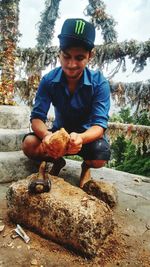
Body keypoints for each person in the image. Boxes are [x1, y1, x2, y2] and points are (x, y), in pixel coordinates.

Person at [22, 18, 111, 188]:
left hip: (85, 138)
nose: (71, 64)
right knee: (29, 145)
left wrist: (81, 138)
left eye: (79, 58)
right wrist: (48, 136)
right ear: (59, 53)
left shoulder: (99, 83)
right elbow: (37, 118)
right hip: (58, 134)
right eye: (66, 56)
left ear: (90, 56)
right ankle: (57, 160)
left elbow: (99, 125)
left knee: (99, 156)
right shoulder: (48, 80)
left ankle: (86, 167)